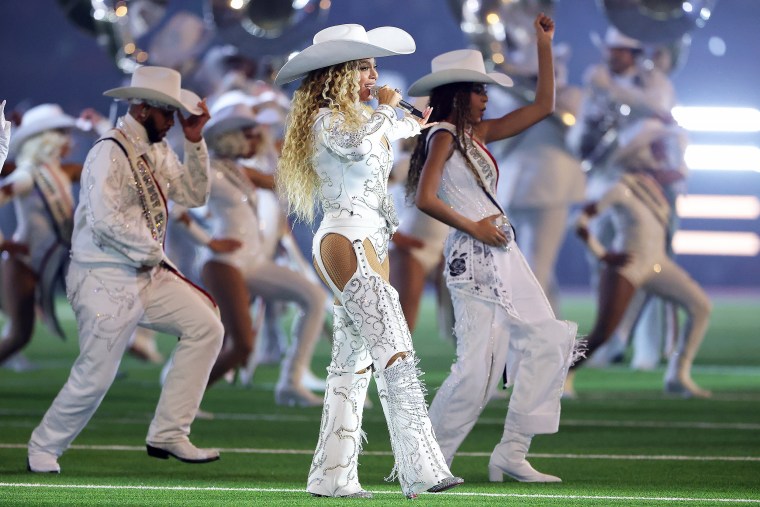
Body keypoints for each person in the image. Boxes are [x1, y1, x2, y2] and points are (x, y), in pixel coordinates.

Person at [275, 23, 462, 499]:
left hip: (372, 246)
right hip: (343, 240)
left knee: (352, 366)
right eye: (363, 66)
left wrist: (415, 115)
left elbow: (406, 125)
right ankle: (422, 470)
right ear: (336, 74)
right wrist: (387, 107)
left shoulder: (365, 118)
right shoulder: (324, 121)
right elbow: (360, 142)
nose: (373, 75)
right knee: (396, 351)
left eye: (374, 66)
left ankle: (331, 477)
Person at [407, 14, 579, 483]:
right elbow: (426, 198)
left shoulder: (476, 135)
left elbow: (544, 105)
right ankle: (425, 463)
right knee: (478, 370)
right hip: (473, 256)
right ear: (461, 93)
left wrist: (544, 44)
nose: (488, 97)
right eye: (481, 90)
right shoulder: (442, 133)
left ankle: (511, 452)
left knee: (547, 342)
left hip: (505, 256)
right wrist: (474, 227)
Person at [27, 66, 223, 473]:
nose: (172, 121)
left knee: (207, 327)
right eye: (167, 113)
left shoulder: (158, 149)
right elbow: (102, 220)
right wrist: (151, 252)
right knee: (96, 375)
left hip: (147, 272)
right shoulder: (107, 151)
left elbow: (194, 195)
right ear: (142, 107)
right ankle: (43, 447)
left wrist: (195, 141)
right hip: (103, 276)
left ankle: (169, 432)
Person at [189, 102, 327, 406]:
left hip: (253, 262)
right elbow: (178, 210)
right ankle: (182, 397)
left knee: (314, 297)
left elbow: (283, 184)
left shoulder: (237, 170)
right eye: (251, 136)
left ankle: (291, 381)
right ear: (230, 138)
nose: (258, 142)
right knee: (238, 345)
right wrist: (209, 241)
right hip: (225, 263)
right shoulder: (208, 170)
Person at [570, 118, 711, 398]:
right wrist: (603, 254)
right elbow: (581, 221)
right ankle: (560, 373)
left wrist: (675, 141)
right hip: (629, 265)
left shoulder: (656, 187)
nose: (664, 154)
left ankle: (677, 374)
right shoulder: (623, 186)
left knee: (700, 306)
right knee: (602, 333)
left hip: (657, 264)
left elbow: (679, 169)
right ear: (643, 152)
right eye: (658, 148)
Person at [567, 26, 678, 369]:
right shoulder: (596, 91)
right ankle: (608, 338)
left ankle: (645, 348)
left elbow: (659, 109)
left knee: (648, 264)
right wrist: (587, 133)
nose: (611, 56)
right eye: (610, 49)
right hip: (603, 183)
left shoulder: (652, 82)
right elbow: (576, 141)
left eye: (619, 50)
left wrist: (611, 91)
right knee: (602, 262)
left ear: (633, 54)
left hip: (644, 186)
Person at [0, 103, 83, 365]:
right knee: (19, 336)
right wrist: (4, 244)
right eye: (61, 132)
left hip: (55, 258)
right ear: (48, 139)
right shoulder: (27, 176)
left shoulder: (61, 173)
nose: (69, 140)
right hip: (22, 264)